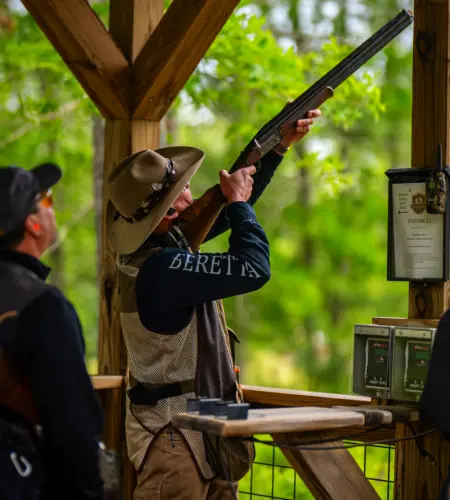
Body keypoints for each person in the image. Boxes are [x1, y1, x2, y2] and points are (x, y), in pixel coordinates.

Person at [105, 111, 320, 499]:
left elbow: (214, 208)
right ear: (164, 217)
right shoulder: (161, 268)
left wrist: (276, 147)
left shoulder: (161, 248)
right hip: (175, 438)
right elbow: (253, 268)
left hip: (210, 424)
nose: (192, 196)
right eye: (179, 195)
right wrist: (237, 203)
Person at [0, 164, 104, 499]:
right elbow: (72, 427)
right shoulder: (42, 306)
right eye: (47, 201)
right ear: (32, 223)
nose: (52, 209)